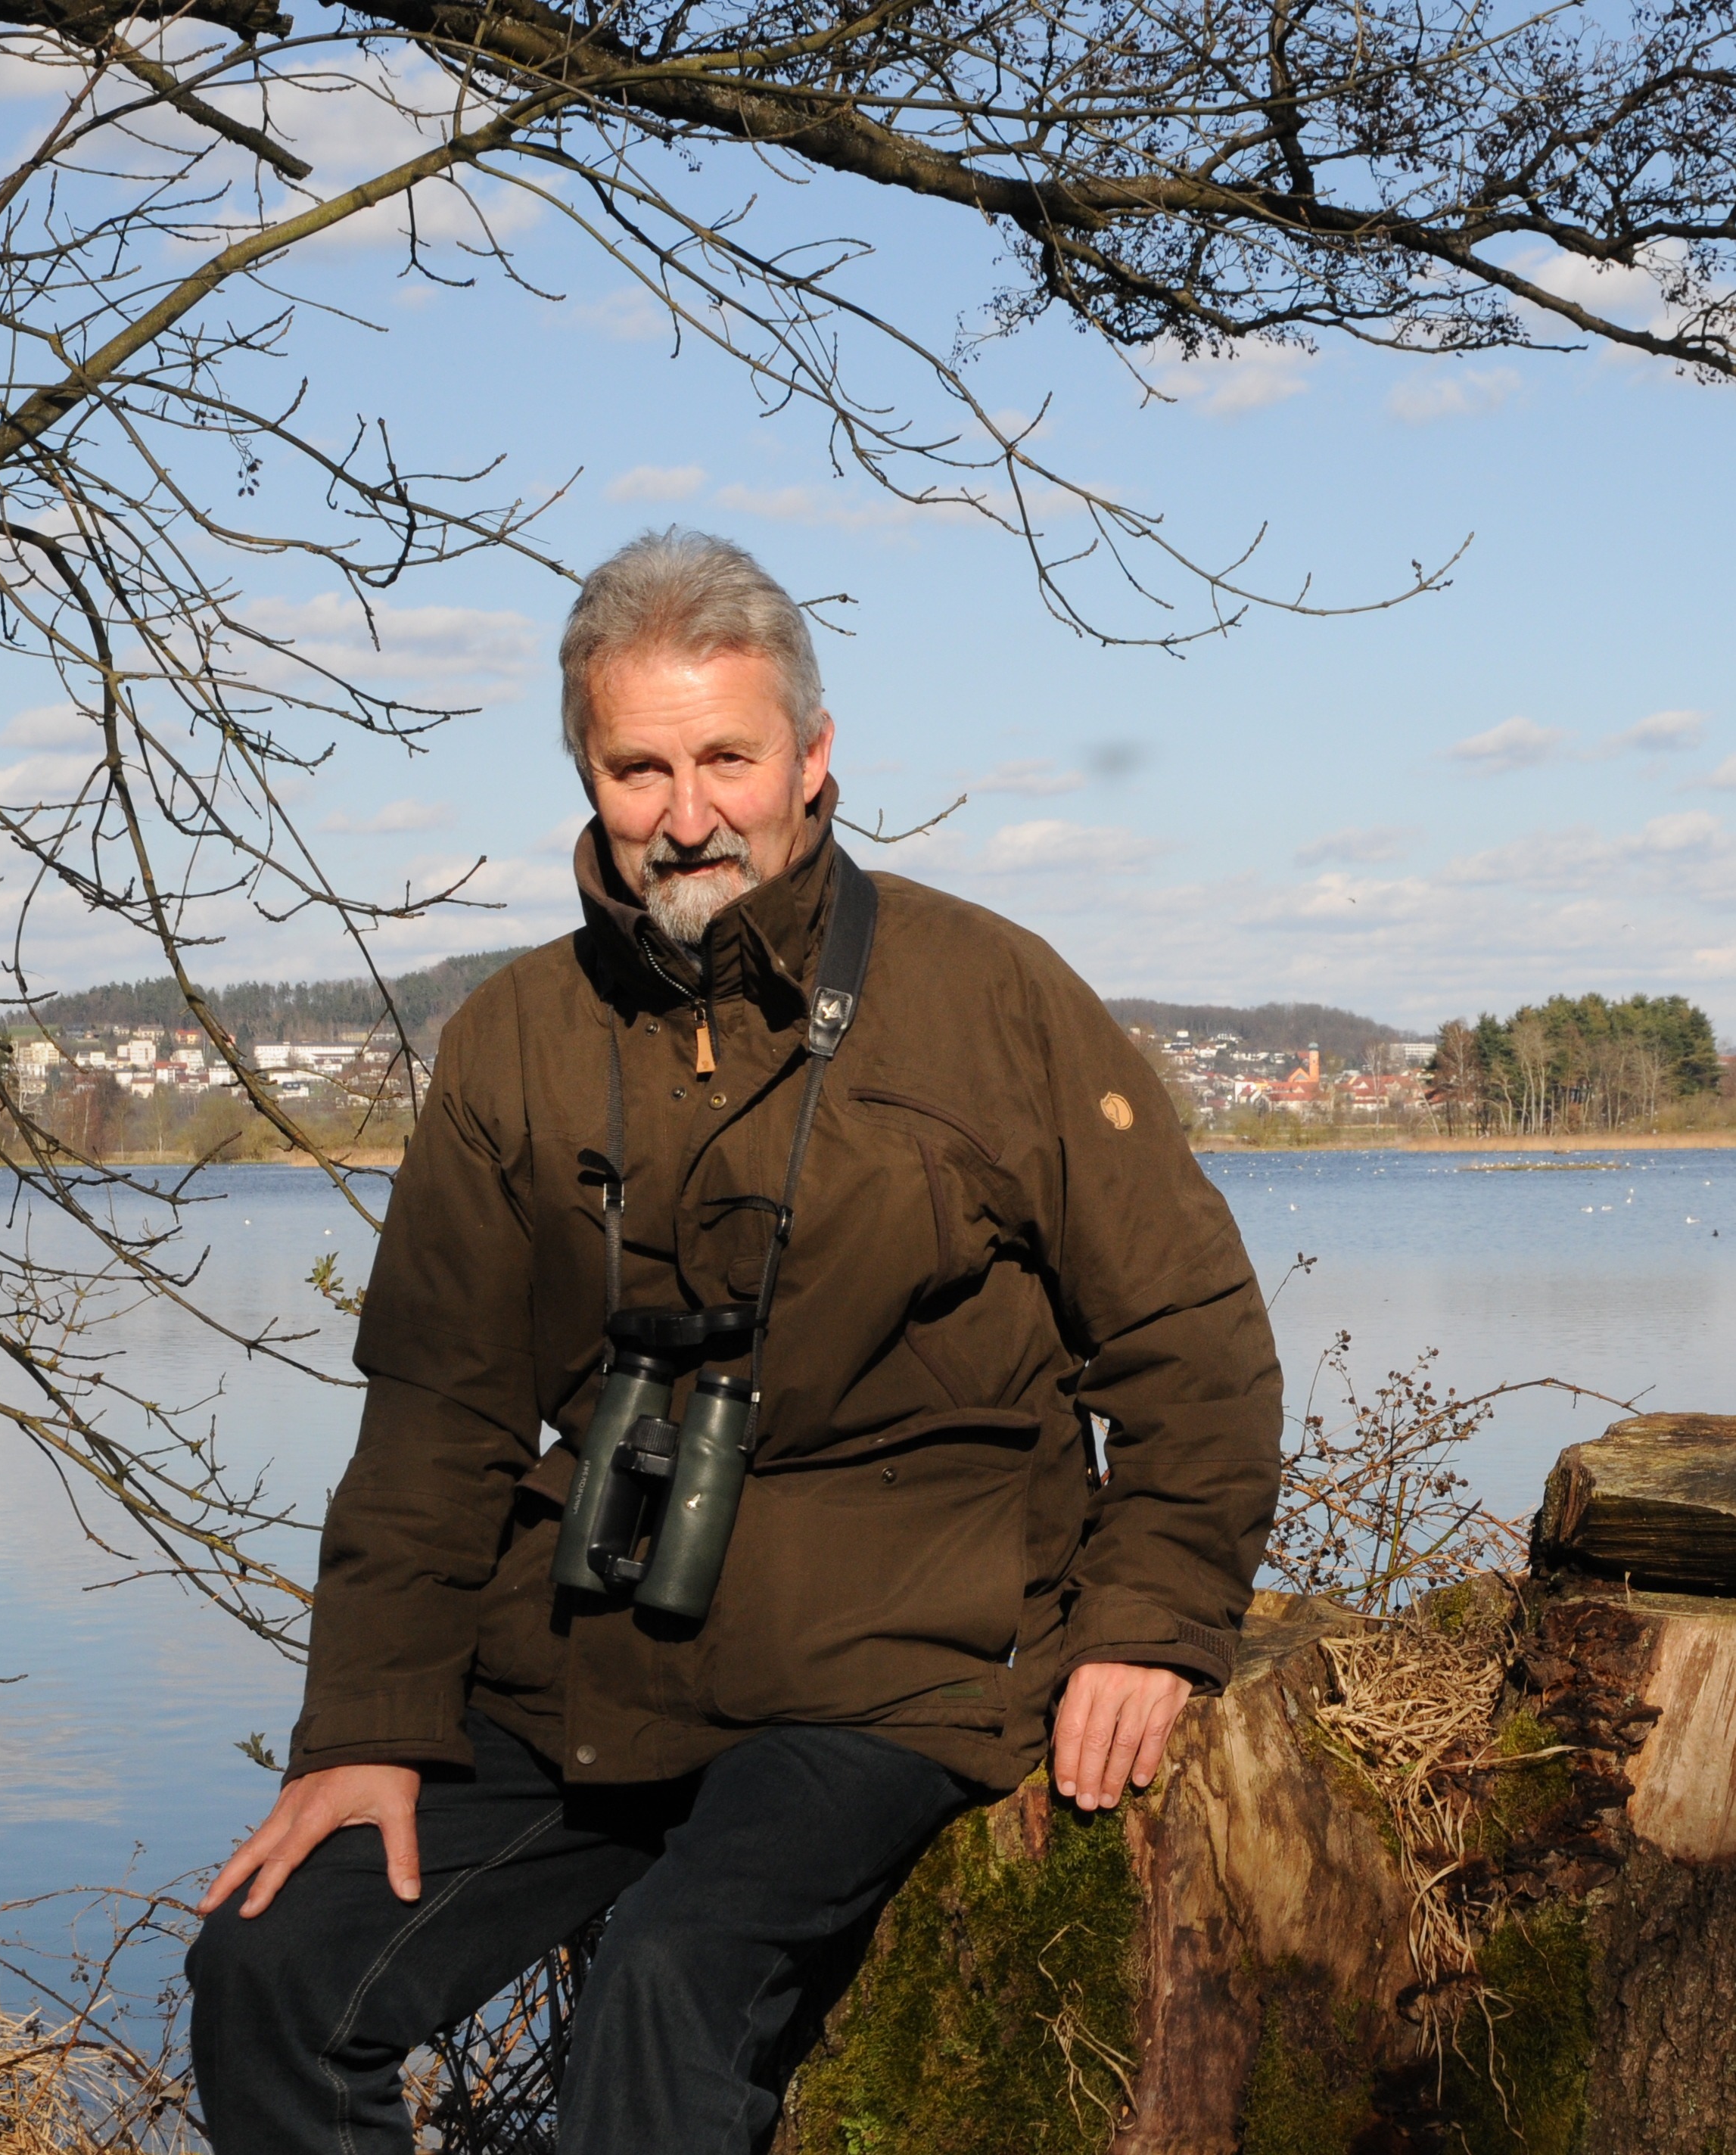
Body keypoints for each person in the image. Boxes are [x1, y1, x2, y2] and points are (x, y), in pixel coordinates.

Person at [187, 530, 1283, 2153]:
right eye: (640, 766)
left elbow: (1190, 1339)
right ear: (587, 769)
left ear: (814, 756)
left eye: (727, 756)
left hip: (895, 1659)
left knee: (671, 1973)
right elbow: (435, 1418)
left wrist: (1151, 1619)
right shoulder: (517, 1038)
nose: (687, 811)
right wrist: (366, 1724)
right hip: (587, 1661)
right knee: (272, 1966)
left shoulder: (985, 995)